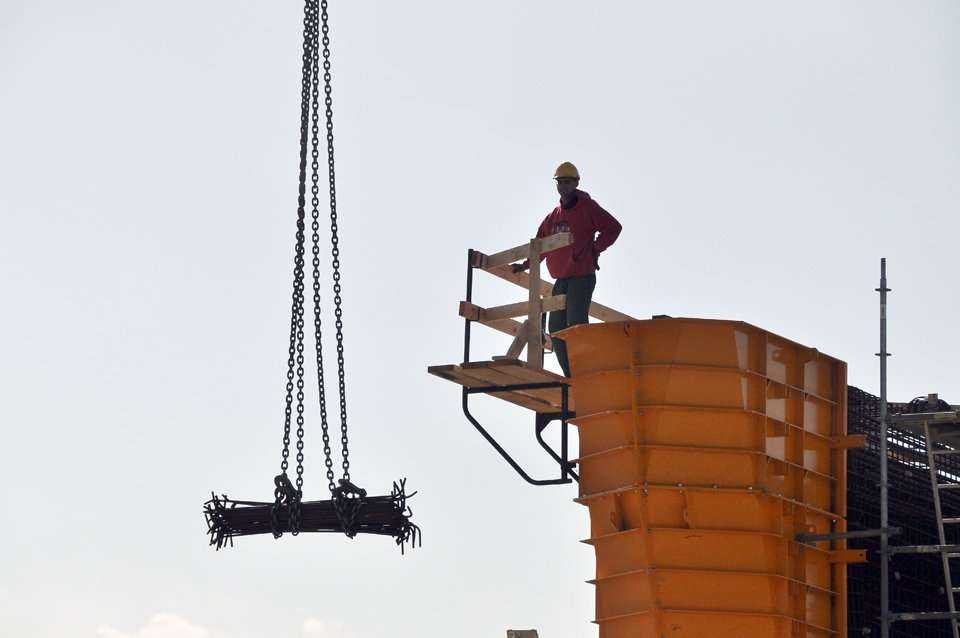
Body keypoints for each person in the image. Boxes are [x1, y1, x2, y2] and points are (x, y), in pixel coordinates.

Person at [511, 162, 622, 376]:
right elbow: (540, 246)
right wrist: (525, 265)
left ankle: (586, 372)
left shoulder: (588, 207)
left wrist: (594, 249)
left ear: (576, 183)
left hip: (582, 276)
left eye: (568, 182)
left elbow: (613, 228)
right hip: (561, 280)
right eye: (560, 182)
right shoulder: (553, 217)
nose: (564, 187)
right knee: (557, 330)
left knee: (576, 325)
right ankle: (572, 377)